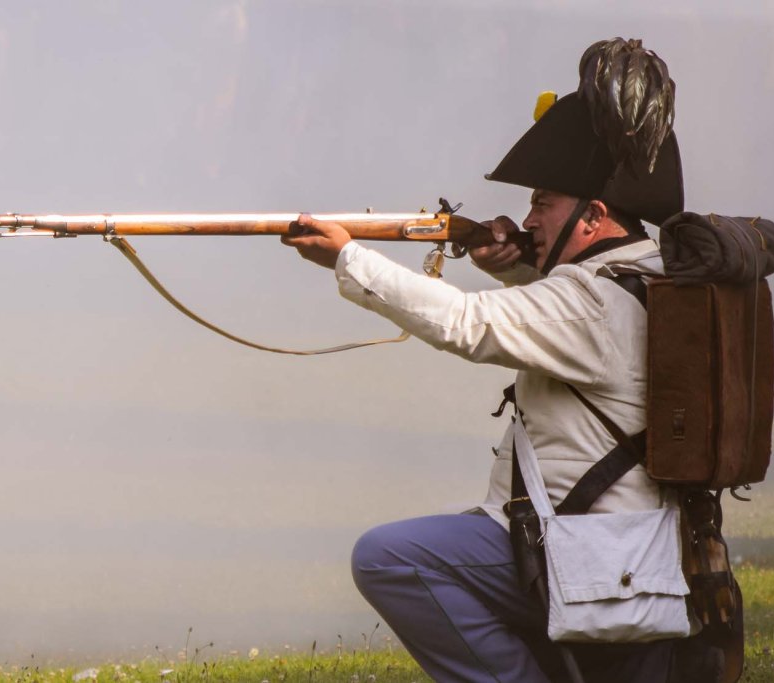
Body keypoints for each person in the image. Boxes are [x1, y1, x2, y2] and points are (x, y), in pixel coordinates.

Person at [280, 39, 689, 683]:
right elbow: (570, 320)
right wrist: (523, 264)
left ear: (595, 216)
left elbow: (466, 324)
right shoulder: (646, 276)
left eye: (544, 204)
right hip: (627, 547)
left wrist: (347, 256)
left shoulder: (589, 298)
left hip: (589, 553)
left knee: (388, 558)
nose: (527, 218)